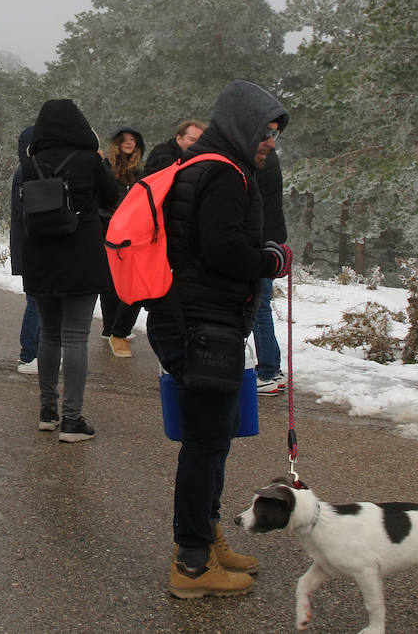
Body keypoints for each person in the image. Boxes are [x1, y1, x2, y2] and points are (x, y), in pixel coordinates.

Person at [145, 79, 291, 598]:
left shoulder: (204, 166)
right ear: (240, 126)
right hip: (202, 322)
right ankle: (190, 565)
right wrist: (270, 259)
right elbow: (224, 249)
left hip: (195, 318)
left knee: (212, 441)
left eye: (274, 133)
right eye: (266, 132)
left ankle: (207, 542)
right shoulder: (223, 174)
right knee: (206, 445)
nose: (271, 142)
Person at [21, 99, 124, 442]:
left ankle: (47, 412)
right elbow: (114, 199)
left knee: (49, 335)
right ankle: (72, 419)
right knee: (76, 337)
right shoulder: (88, 162)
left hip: (39, 257)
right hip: (80, 256)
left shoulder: (29, 163)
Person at [99, 126, 144, 358]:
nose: (129, 143)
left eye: (133, 140)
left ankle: (118, 326)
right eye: (125, 139)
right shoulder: (106, 168)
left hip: (132, 233)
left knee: (128, 280)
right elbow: (99, 200)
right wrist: (113, 216)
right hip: (108, 230)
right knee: (109, 282)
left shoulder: (138, 172)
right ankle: (110, 328)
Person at [252, 147, 287, 395]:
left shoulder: (256, 155)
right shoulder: (268, 154)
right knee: (262, 306)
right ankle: (272, 368)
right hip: (270, 238)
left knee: (258, 307)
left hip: (260, 239)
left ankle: (266, 371)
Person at [10, 126, 40, 375]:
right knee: (36, 302)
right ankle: (29, 354)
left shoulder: (23, 169)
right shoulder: (28, 171)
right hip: (33, 246)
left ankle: (34, 353)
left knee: (36, 301)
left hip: (26, 245)